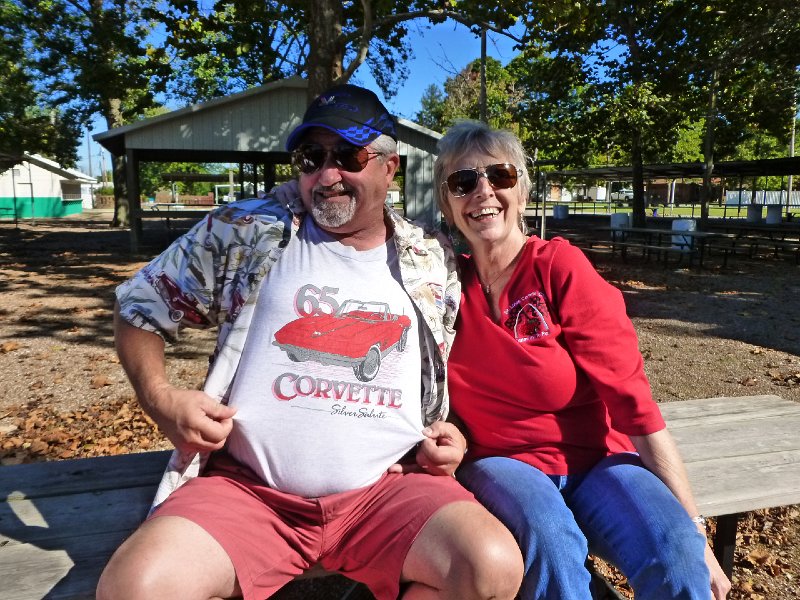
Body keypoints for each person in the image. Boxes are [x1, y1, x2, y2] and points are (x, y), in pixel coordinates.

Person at [97, 86, 523, 600]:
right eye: (310, 157)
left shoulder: (432, 255)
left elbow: (506, 294)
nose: (327, 174)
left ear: (389, 169)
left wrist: (448, 435)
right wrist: (160, 398)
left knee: (490, 567)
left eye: (349, 156)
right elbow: (139, 303)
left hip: (387, 492)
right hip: (250, 492)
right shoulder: (247, 230)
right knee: (137, 588)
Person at [433, 120, 732, 600]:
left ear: (522, 191)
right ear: (448, 203)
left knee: (676, 552)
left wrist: (697, 534)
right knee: (549, 538)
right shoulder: (441, 287)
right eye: (463, 182)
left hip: (599, 462)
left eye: (500, 176)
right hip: (504, 462)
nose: (483, 191)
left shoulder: (558, 267)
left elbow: (635, 405)